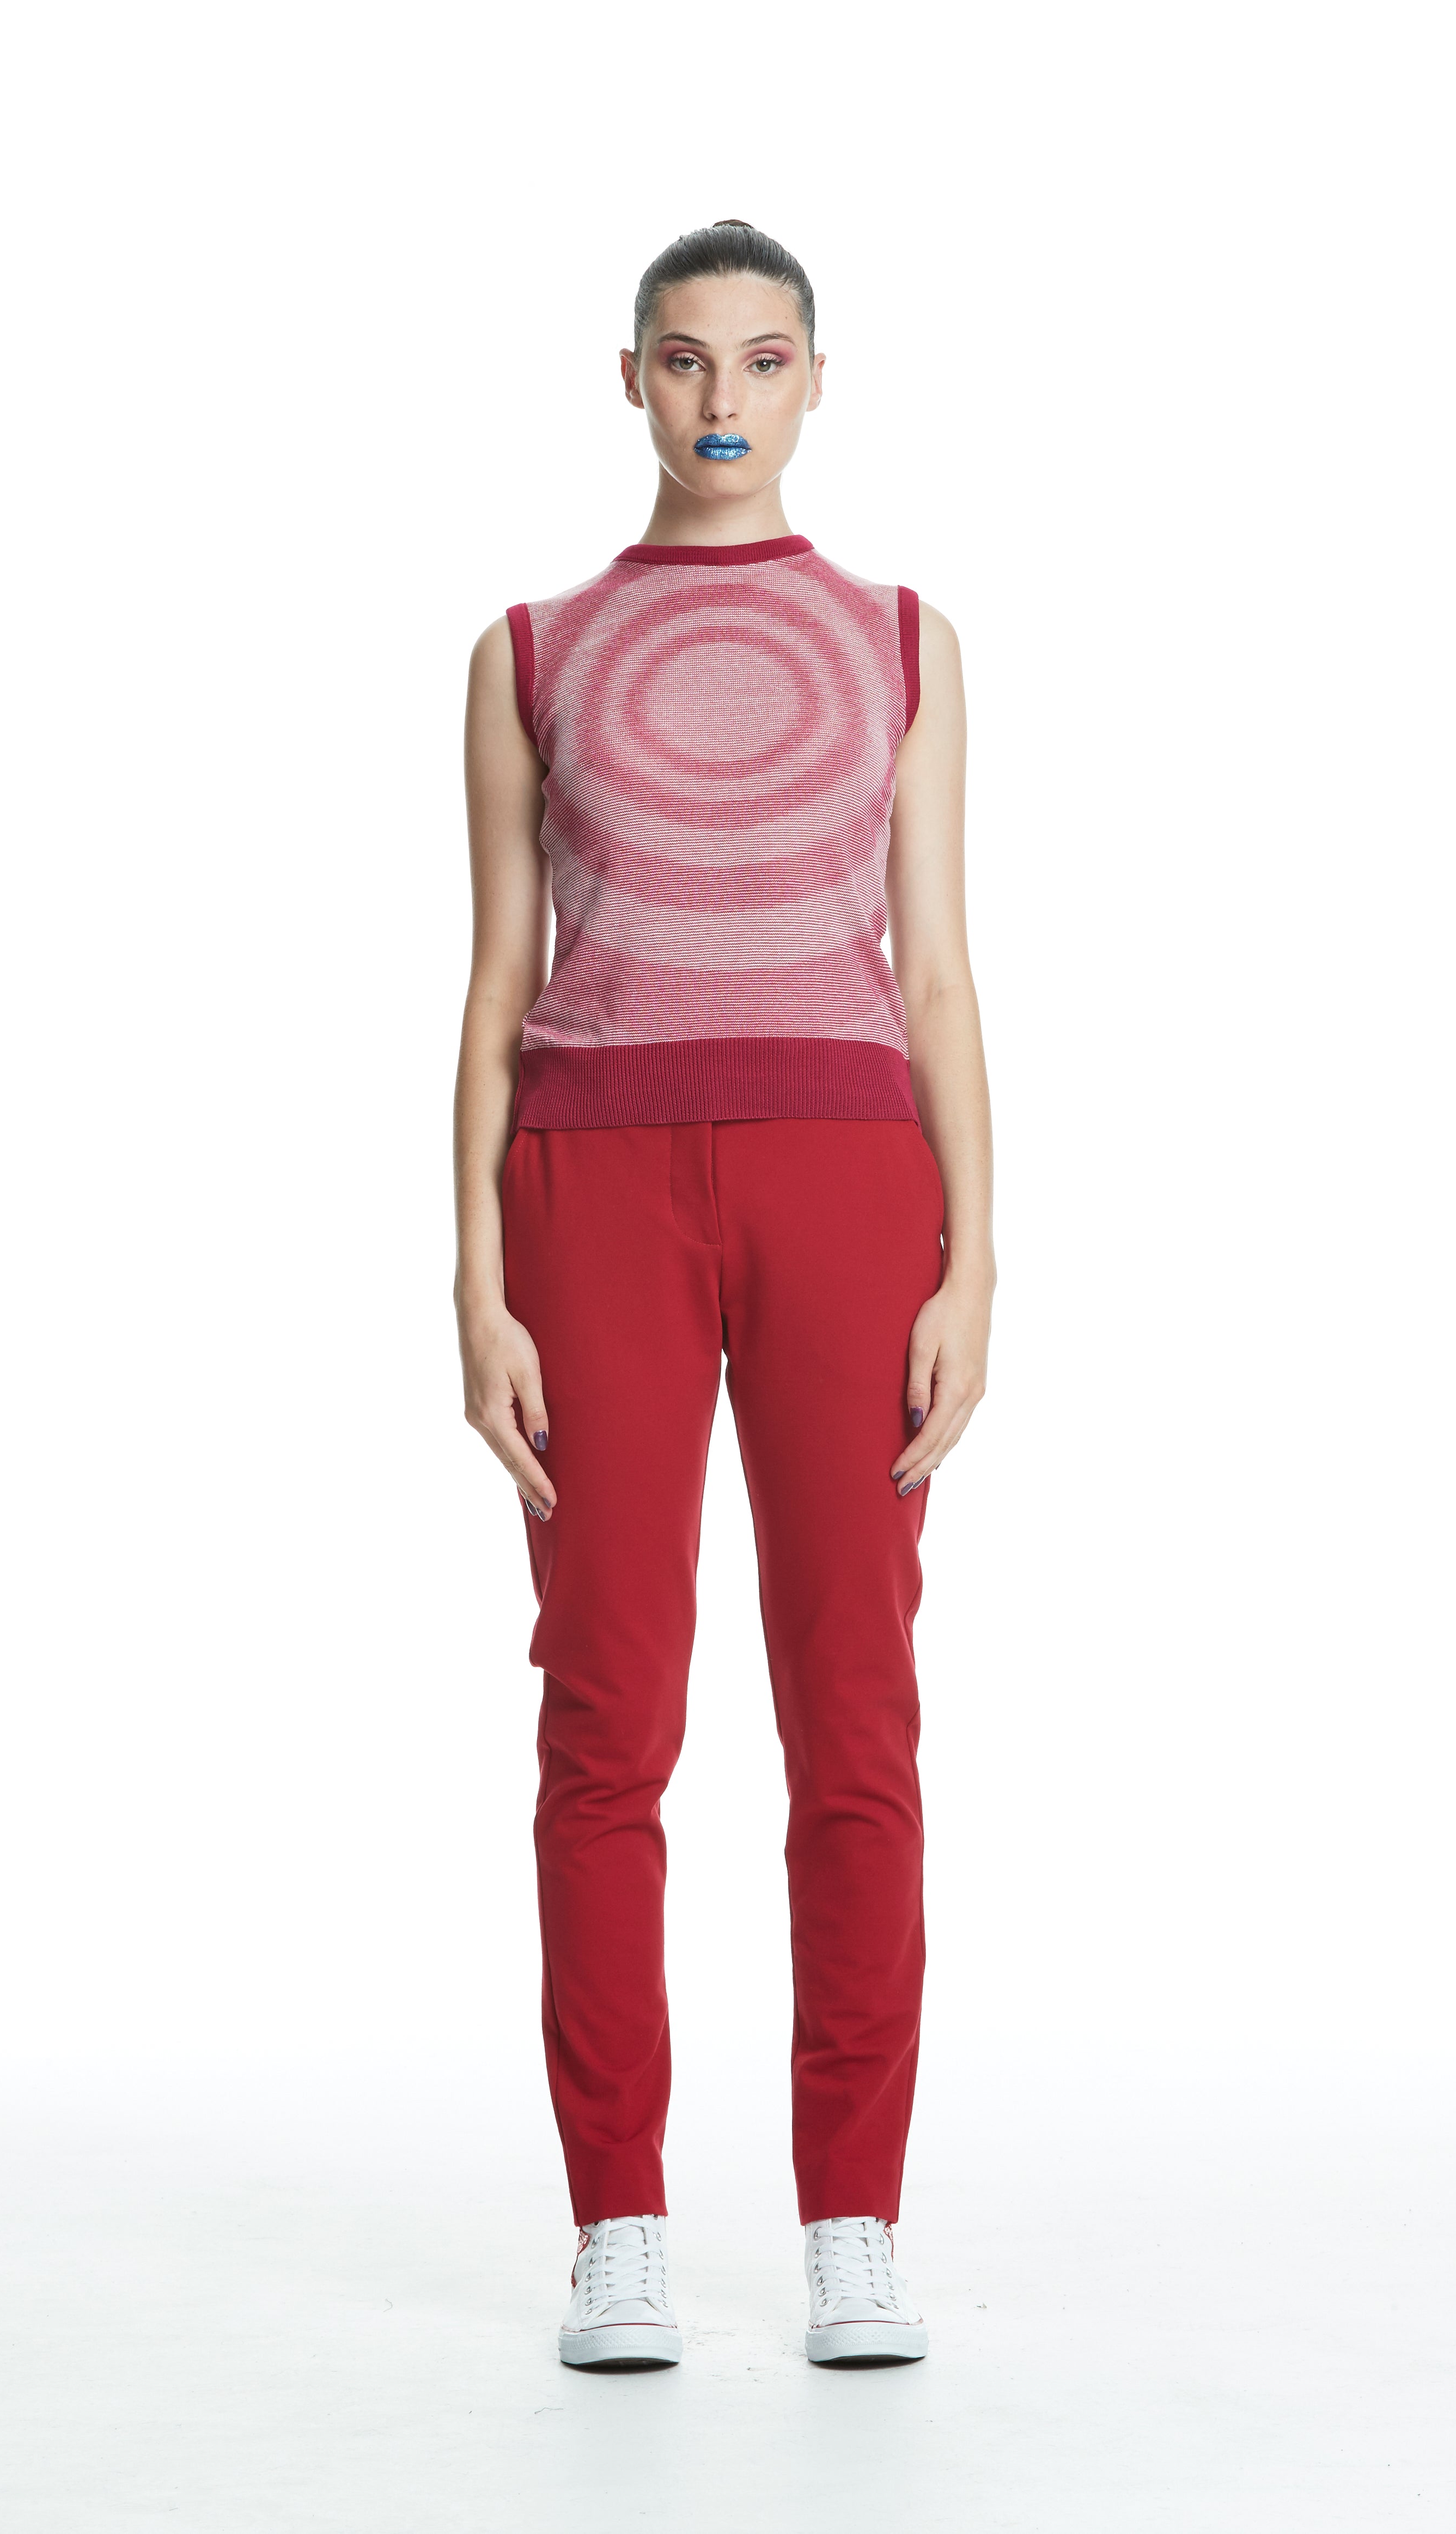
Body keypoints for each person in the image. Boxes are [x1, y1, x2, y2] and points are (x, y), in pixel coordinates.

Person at [454, 220, 995, 2371]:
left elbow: (935, 970)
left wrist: (976, 1255)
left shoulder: (900, 639)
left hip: (846, 1176)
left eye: (763, 359)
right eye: (685, 359)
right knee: (607, 1707)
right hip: (586, 1181)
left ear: (815, 380)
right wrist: (474, 1272)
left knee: (855, 1702)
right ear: (630, 378)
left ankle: (854, 2212)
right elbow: (494, 980)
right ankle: (620, 2222)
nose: (722, 398)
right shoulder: (528, 649)